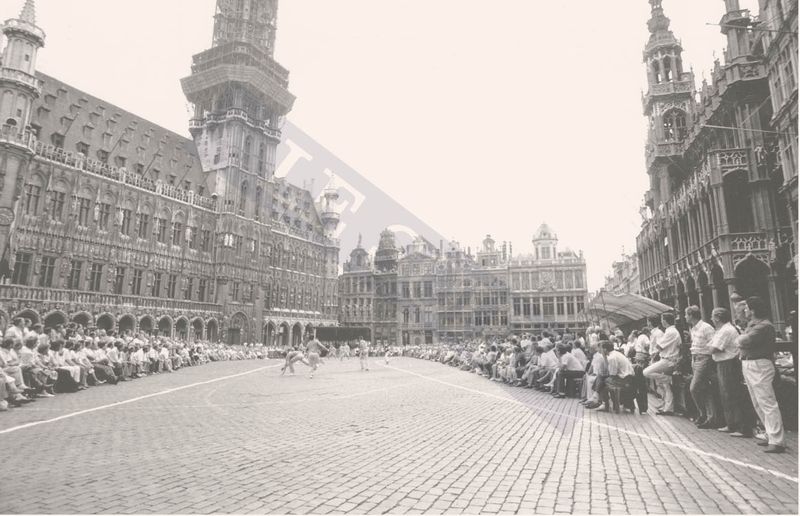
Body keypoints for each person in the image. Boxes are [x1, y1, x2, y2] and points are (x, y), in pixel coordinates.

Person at [736, 296, 785, 453]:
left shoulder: (763, 326)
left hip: (759, 364)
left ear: (754, 310)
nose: (745, 311)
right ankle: (770, 434)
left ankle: (777, 440)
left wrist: (740, 338)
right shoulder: (753, 324)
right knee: (757, 401)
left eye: (747, 308)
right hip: (750, 363)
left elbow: (743, 341)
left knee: (767, 402)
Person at [709, 307, 752, 437]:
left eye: (712, 316)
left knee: (731, 393)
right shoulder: (723, 330)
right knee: (726, 394)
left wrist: (710, 347)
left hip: (727, 364)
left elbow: (714, 348)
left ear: (717, 318)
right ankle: (732, 423)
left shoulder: (726, 330)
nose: (711, 319)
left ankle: (740, 426)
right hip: (723, 363)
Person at [686, 305, 720, 429]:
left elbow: (713, 343)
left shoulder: (706, 328)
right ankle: (710, 417)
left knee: (694, 388)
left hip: (704, 358)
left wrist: (707, 358)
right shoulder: (693, 328)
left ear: (691, 315)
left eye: (686, 314)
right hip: (695, 358)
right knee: (705, 389)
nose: (685, 317)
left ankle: (703, 413)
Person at [643, 312, 681, 416]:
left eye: (662, 319)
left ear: (665, 321)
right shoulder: (669, 331)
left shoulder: (670, 332)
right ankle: (668, 408)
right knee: (665, 386)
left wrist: (654, 354)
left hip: (668, 360)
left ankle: (668, 378)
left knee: (646, 372)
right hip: (666, 358)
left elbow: (659, 347)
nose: (661, 321)